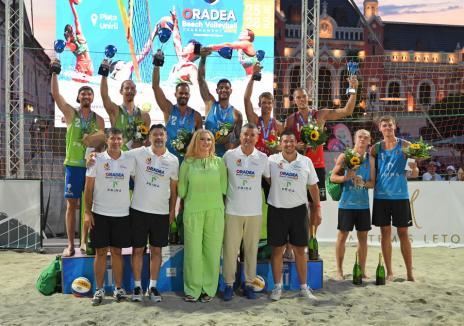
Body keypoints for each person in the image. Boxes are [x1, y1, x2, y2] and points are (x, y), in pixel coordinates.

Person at [284, 77, 358, 228]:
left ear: (308, 97)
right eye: (298, 97)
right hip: (297, 166)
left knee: (314, 207)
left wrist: (353, 90)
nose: (302, 99)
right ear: (294, 101)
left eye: (304, 96)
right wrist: (295, 146)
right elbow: (284, 145)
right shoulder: (291, 120)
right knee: (296, 206)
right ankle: (297, 242)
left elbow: (347, 111)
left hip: (317, 167)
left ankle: (312, 243)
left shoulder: (320, 115)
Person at [51, 61, 105, 257]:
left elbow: (102, 143)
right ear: (78, 97)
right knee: (71, 205)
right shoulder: (70, 113)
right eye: (83, 93)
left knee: (89, 205)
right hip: (73, 166)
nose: (86, 96)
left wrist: (95, 145)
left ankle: (84, 242)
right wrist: (54, 73)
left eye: (89, 94)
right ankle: (70, 245)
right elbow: (56, 96)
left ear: (92, 98)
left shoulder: (98, 119)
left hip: (91, 167)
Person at [266, 130, 321, 301]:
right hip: (277, 210)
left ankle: (304, 288)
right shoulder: (271, 160)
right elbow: (268, 180)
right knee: (277, 251)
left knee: (300, 251)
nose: (288, 144)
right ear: (280, 143)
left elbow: (313, 187)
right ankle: (277, 287)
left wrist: (317, 208)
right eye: (285, 141)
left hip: (298, 211)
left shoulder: (306, 161)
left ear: (296, 143)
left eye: (291, 141)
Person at [84, 128, 136, 306]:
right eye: (112, 138)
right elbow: (88, 188)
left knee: (117, 252)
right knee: (99, 252)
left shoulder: (129, 159)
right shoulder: (96, 159)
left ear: (122, 141)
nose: (116, 142)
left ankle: (118, 288)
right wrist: (87, 212)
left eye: (119, 139)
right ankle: (98, 290)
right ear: (107, 140)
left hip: (122, 214)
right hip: (100, 213)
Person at [178, 129, 227, 302]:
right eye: (202, 139)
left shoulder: (219, 163)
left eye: (209, 139)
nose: (206, 142)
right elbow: (181, 191)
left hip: (215, 212)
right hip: (192, 212)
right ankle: (192, 289)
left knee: (212, 252)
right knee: (193, 253)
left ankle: (209, 289)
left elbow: (224, 188)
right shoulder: (187, 163)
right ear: (195, 141)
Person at [222, 123, 269, 301]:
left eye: (252, 135)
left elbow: (270, 180)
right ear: (240, 136)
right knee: (230, 250)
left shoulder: (263, 158)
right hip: (233, 210)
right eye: (245, 134)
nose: (248, 138)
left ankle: (249, 283)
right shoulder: (229, 156)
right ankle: (228, 284)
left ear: (257, 138)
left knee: (251, 250)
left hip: (254, 211)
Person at [370, 115, 415, 281]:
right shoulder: (375, 148)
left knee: (403, 233)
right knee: (385, 233)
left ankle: (410, 273)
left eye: (390, 125)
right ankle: (389, 272)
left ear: (395, 126)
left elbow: (413, 171)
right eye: (384, 125)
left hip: (400, 196)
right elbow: (373, 175)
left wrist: (414, 169)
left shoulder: (406, 145)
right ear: (380, 128)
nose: (387, 128)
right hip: (381, 196)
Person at [330, 129, 375, 280]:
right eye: (360, 137)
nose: (362, 139)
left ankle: (362, 271)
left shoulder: (371, 160)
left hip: (363, 205)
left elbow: (372, 183)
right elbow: (333, 177)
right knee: (342, 237)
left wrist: (363, 183)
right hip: (347, 204)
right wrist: (345, 177)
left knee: (363, 238)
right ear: (355, 139)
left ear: (369, 141)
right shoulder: (345, 156)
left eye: (366, 137)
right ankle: (339, 271)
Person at [152, 64, 202, 163]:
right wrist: (157, 65)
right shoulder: (169, 109)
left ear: (189, 95)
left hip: (187, 161)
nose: (183, 95)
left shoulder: (196, 116)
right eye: (181, 93)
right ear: (175, 94)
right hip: (168, 160)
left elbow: (200, 140)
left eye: (186, 93)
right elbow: (155, 87)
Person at [198, 48, 243, 157]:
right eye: (221, 88)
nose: (223, 90)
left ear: (231, 91)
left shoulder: (237, 114)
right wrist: (203, 58)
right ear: (217, 91)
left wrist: (234, 145)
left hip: (225, 158)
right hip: (207, 155)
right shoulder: (210, 103)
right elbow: (201, 80)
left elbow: (239, 138)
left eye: (226, 88)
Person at [100, 73, 151, 151]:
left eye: (132, 88)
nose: (130, 90)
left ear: (136, 92)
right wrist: (104, 74)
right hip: (117, 157)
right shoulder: (115, 110)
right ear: (121, 91)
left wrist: (141, 141)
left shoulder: (144, 116)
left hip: (134, 158)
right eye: (127, 88)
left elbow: (140, 140)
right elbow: (104, 96)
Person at [169, 7, 201, 85]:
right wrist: (175, 21)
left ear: (193, 51)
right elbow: (176, 39)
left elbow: (197, 87)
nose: (184, 47)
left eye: (187, 47)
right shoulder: (181, 60)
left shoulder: (191, 67)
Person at [64, 0, 93, 80]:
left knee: (86, 87)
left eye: (71, 30)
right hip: (83, 66)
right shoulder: (70, 44)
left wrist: (71, 4)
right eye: (69, 32)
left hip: (87, 66)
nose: (71, 32)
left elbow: (76, 18)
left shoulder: (78, 34)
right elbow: (64, 46)